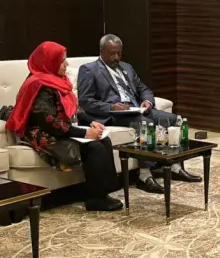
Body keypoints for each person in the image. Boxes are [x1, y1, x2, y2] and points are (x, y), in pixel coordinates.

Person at [6, 42, 123, 211]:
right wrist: (84, 134)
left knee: (104, 140)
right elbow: (50, 122)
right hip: (44, 134)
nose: (66, 64)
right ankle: (95, 198)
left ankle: (103, 193)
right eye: (62, 61)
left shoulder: (58, 80)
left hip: (61, 128)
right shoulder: (38, 85)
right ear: (49, 62)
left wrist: (90, 122)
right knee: (95, 147)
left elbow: (73, 110)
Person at [77, 34, 200, 193]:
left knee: (175, 120)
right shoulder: (89, 70)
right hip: (113, 115)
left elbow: (143, 88)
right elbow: (85, 101)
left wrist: (148, 101)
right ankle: (144, 175)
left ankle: (175, 166)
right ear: (102, 51)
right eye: (112, 54)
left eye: (119, 53)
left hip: (136, 109)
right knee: (146, 125)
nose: (116, 57)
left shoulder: (127, 67)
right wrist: (112, 107)